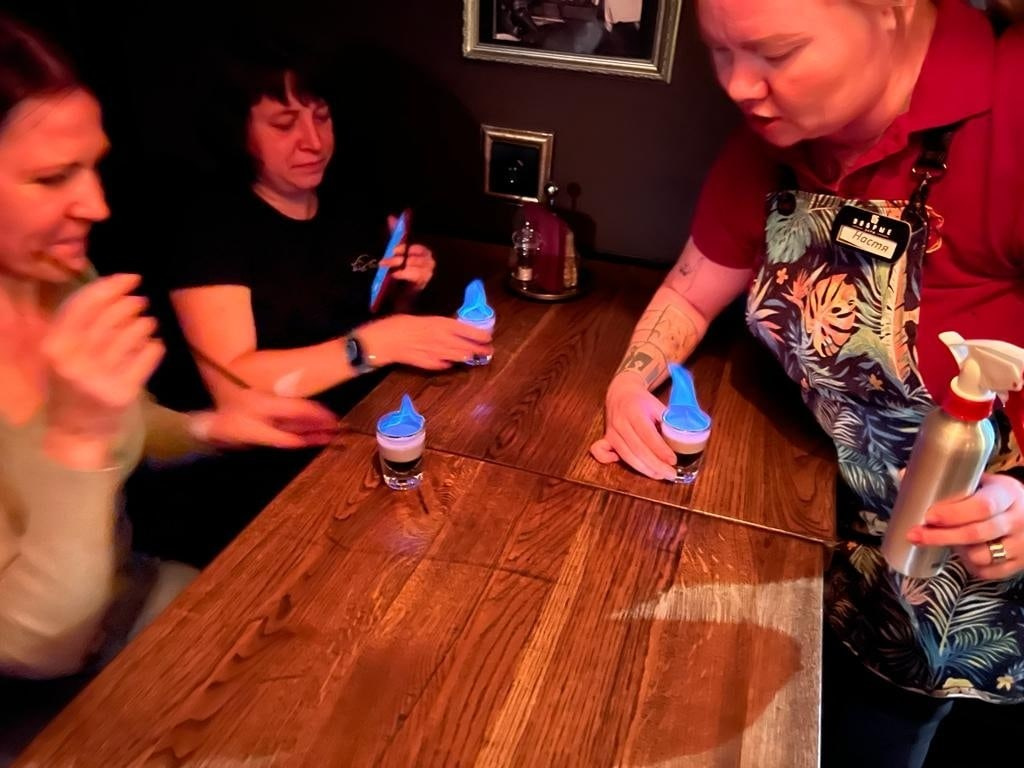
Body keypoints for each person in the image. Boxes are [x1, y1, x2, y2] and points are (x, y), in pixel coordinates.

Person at [591, 1, 1023, 765]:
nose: (738, 85)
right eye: (720, 52)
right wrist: (630, 384)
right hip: (817, 530)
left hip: (962, 573)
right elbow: (692, 290)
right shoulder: (779, 134)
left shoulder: (1011, 104)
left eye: (777, 52)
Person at [0, 13, 338, 685]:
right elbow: (35, 650)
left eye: (93, 168)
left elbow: (132, 424)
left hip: (139, 597)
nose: (96, 206)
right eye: (52, 178)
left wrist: (210, 428)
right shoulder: (212, 228)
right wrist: (76, 438)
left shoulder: (62, 279)